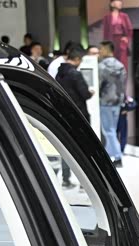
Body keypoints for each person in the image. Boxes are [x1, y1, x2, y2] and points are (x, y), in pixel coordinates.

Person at [56, 47, 94, 188]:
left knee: (66, 147)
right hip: (79, 114)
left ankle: (66, 179)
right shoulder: (75, 74)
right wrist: (90, 93)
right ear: (77, 59)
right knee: (84, 148)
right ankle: (85, 182)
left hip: (64, 112)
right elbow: (84, 94)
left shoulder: (59, 73)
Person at [98, 40, 127, 167]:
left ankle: (118, 157)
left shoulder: (101, 66)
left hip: (105, 101)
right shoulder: (120, 65)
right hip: (117, 101)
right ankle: (110, 155)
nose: (100, 51)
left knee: (108, 131)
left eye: (101, 49)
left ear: (106, 49)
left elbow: (98, 84)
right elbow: (123, 84)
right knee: (112, 130)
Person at [103, 0, 133, 70]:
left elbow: (130, 29)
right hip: (111, 40)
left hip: (121, 41)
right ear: (112, 4)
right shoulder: (107, 17)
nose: (120, 3)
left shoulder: (124, 16)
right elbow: (105, 32)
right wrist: (105, 44)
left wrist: (126, 38)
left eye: (120, 2)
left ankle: (123, 76)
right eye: (118, 1)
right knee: (112, 60)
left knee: (122, 61)